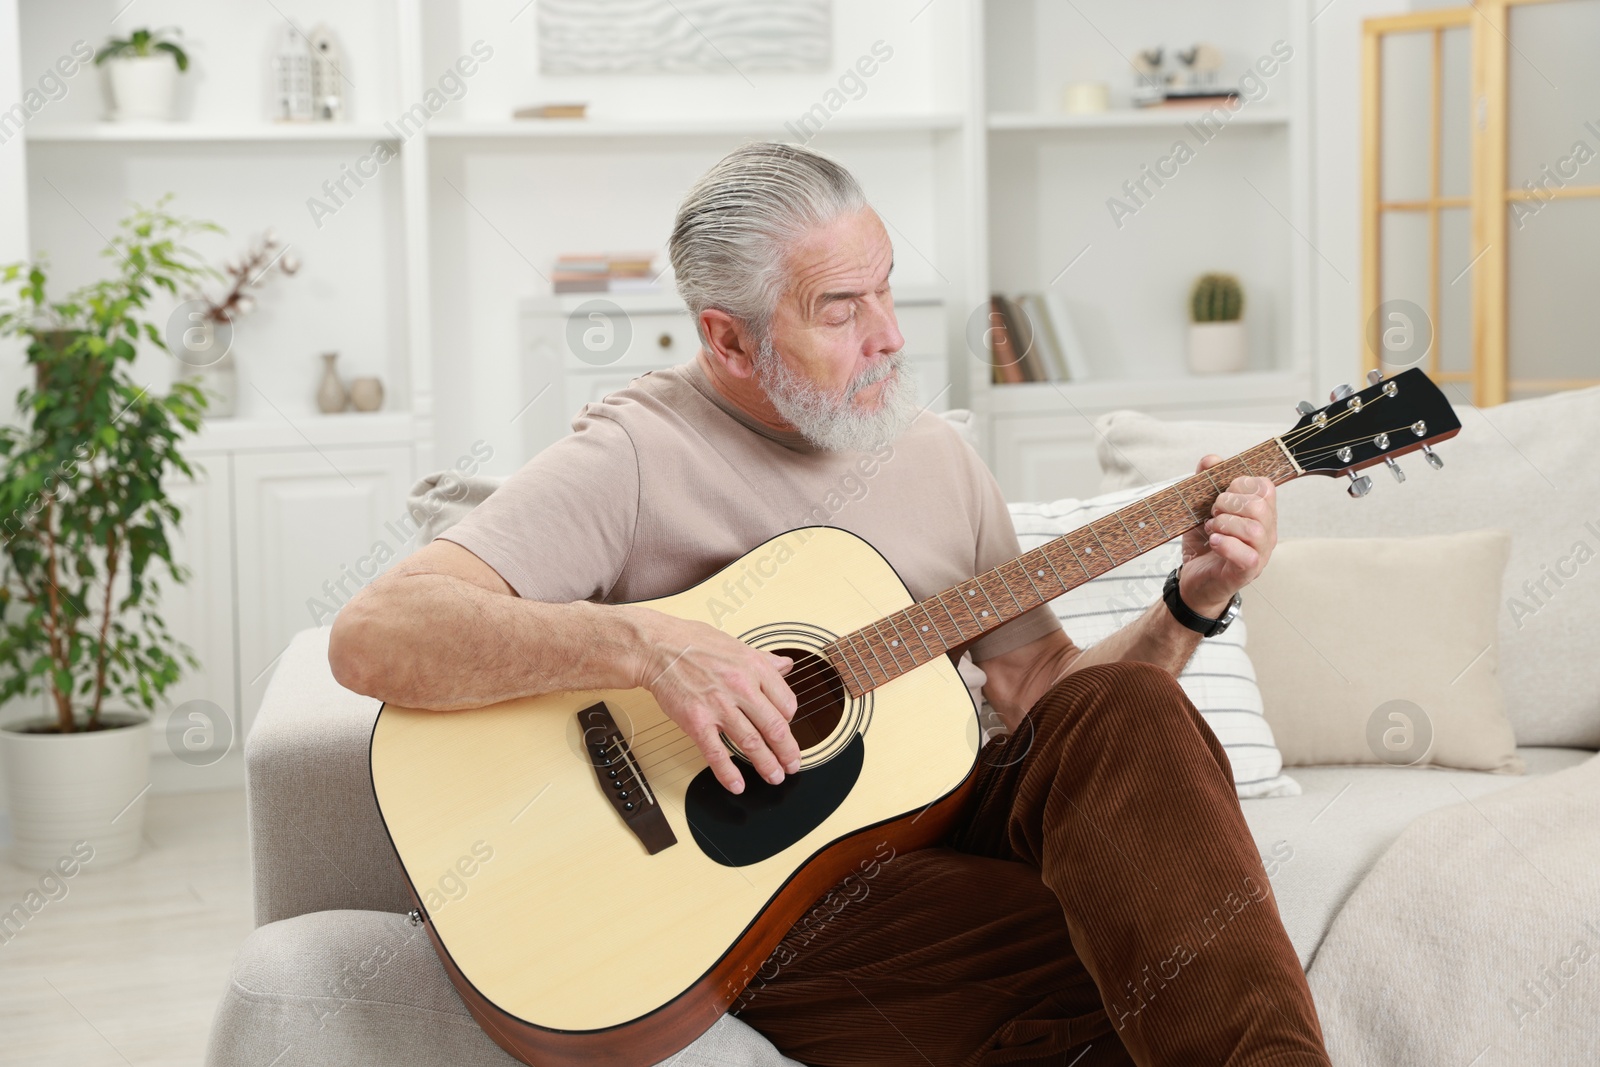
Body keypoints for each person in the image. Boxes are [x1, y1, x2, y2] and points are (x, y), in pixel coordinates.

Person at [329, 142, 1331, 1067]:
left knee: (1135, 715)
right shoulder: (632, 454)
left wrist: (1187, 605)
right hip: (783, 891)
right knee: (1147, 961)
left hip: (952, 813)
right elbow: (376, 634)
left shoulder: (935, 454)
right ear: (727, 337)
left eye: (887, 288)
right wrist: (648, 645)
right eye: (841, 307)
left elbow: (1047, 694)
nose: (889, 336)